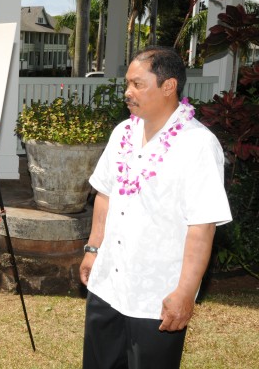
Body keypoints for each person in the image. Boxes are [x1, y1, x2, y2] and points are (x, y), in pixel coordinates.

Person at [79, 46, 232, 368]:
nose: (127, 92)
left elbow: (202, 225)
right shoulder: (123, 132)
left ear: (168, 86)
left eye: (137, 84)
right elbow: (105, 194)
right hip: (108, 284)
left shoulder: (198, 145)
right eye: (127, 84)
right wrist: (93, 249)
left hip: (156, 296)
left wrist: (185, 294)